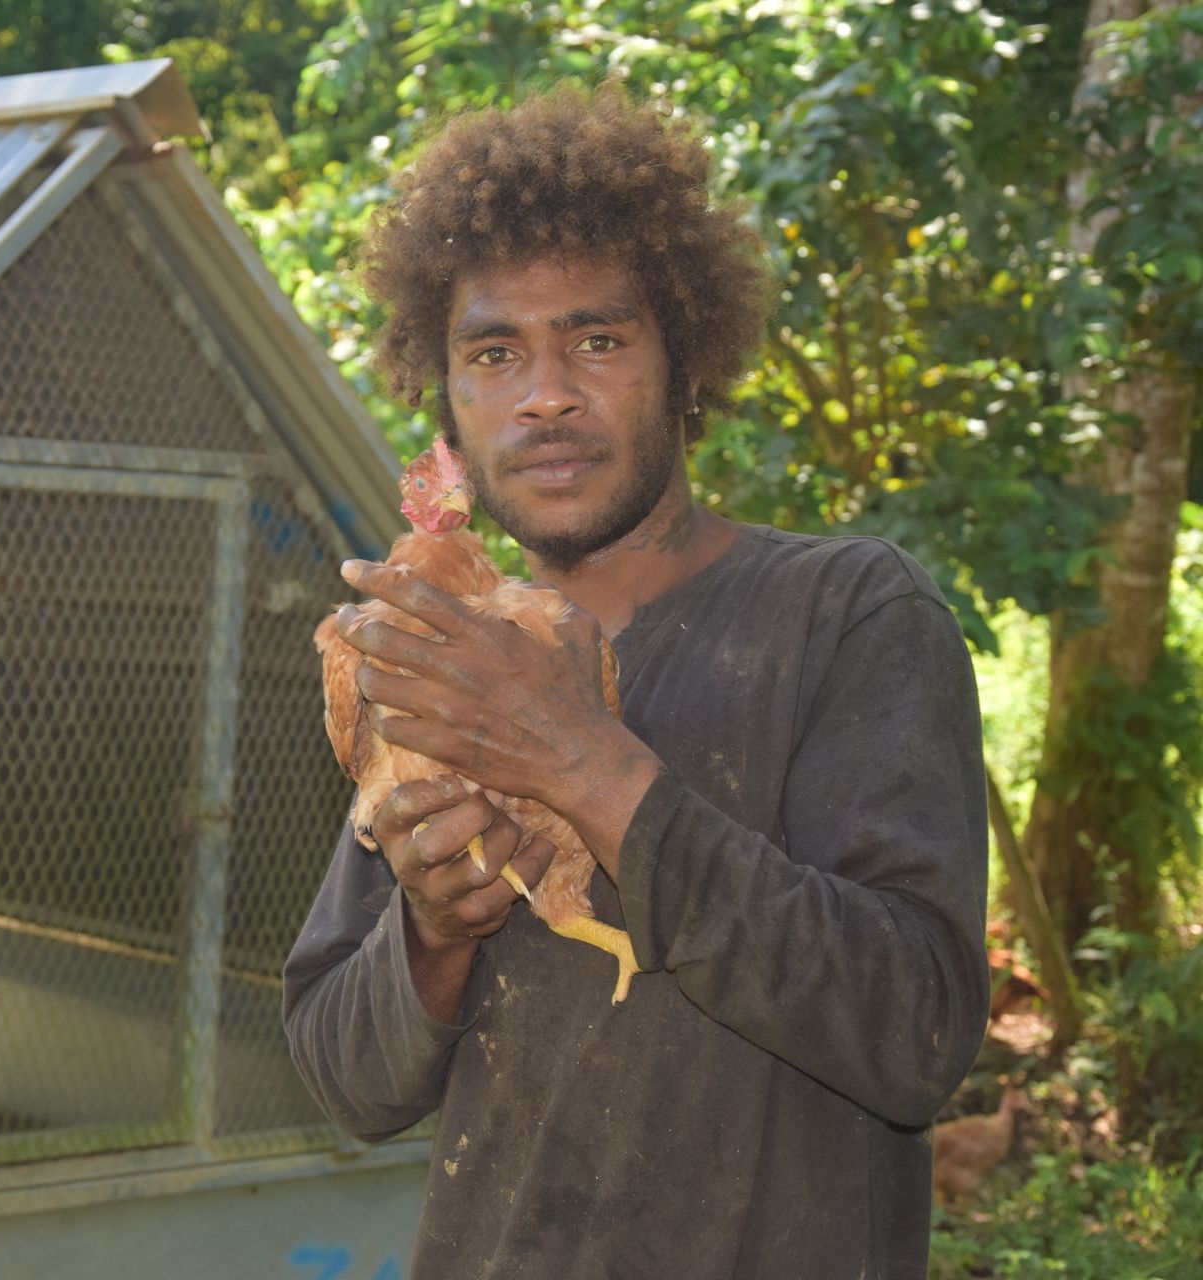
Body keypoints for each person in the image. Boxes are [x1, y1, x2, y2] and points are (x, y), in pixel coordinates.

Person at [283, 83, 989, 1279]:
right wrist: (435, 927)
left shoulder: (849, 615)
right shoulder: (452, 651)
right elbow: (342, 1077)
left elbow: (912, 1030)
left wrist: (577, 757)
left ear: (686, 362)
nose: (545, 393)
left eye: (597, 340)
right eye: (494, 352)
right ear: (448, 398)